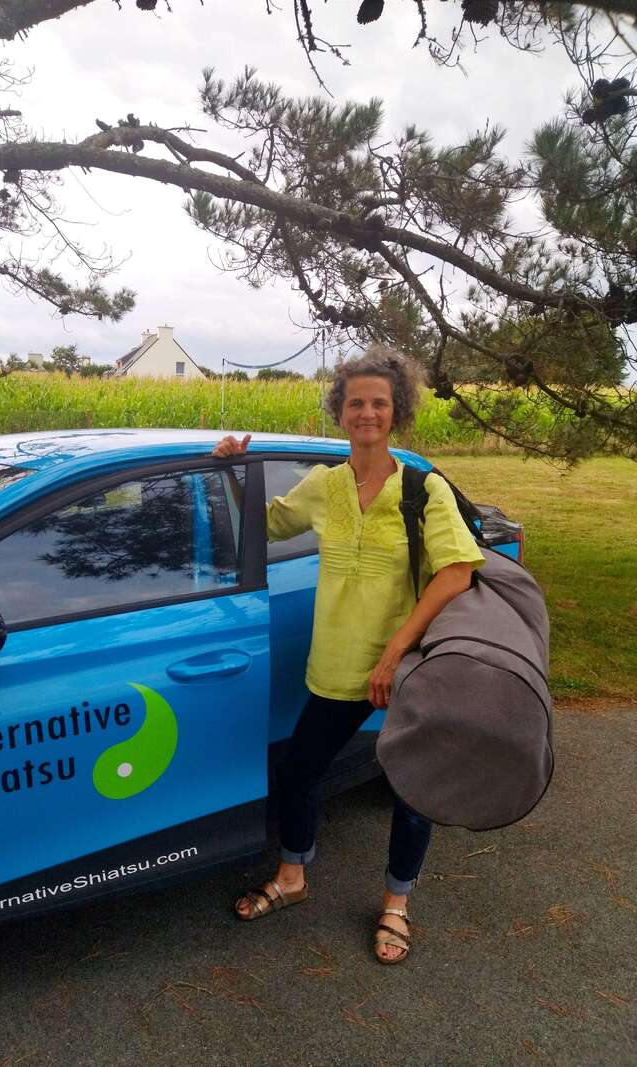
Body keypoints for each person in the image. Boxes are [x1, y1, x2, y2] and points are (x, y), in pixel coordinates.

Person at [212, 346, 485, 964]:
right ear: (341, 412)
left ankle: (396, 904)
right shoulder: (327, 485)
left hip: (405, 669)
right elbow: (266, 525)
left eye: (379, 403)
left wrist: (394, 650)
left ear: (397, 413)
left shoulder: (422, 489)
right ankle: (292, 877)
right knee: (301, 771)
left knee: (413, 789)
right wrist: (232, 469)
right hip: (336, 663)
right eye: (356, 402)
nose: (367, 412)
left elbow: (457, 572)